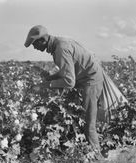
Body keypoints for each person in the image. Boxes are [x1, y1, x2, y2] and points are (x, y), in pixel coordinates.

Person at [24, 25, 104, 153]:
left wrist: (46, 85)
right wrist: (50, 78)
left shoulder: (60, 49)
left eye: (34, 44)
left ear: (43, 40)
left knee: (89, 125)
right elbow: (67, 71)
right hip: (86, 76)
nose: (34, 47)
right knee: (89, 119)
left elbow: (69, 81)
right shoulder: (61, 42)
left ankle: (97, 158)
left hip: (91, 80)